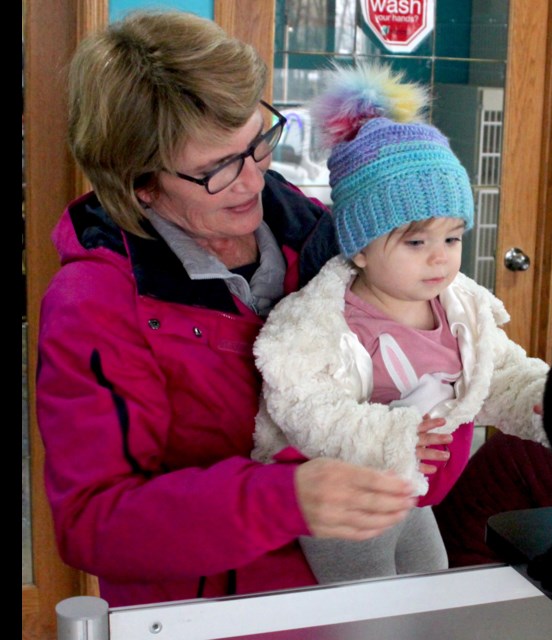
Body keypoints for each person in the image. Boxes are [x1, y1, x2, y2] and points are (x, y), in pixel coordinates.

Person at [36, 11, 419, 607]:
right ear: (140, 183)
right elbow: (93, 523)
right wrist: (280, 499)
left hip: (362, 599)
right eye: (216, 169)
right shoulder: (94, 306)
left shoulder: (318, 237)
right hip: (213, 618)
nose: (252, 182)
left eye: (258, 143)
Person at [251, 63, 551, 584]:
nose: (440, 259)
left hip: (414, 494)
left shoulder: (460, 308)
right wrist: (390, 438)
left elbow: (498, 372)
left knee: (429, 577)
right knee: (365, 601)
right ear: (360, 246)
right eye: (417, 242)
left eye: (453, 239)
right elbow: (302, 404)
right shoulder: (320, 320)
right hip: (345, 499)